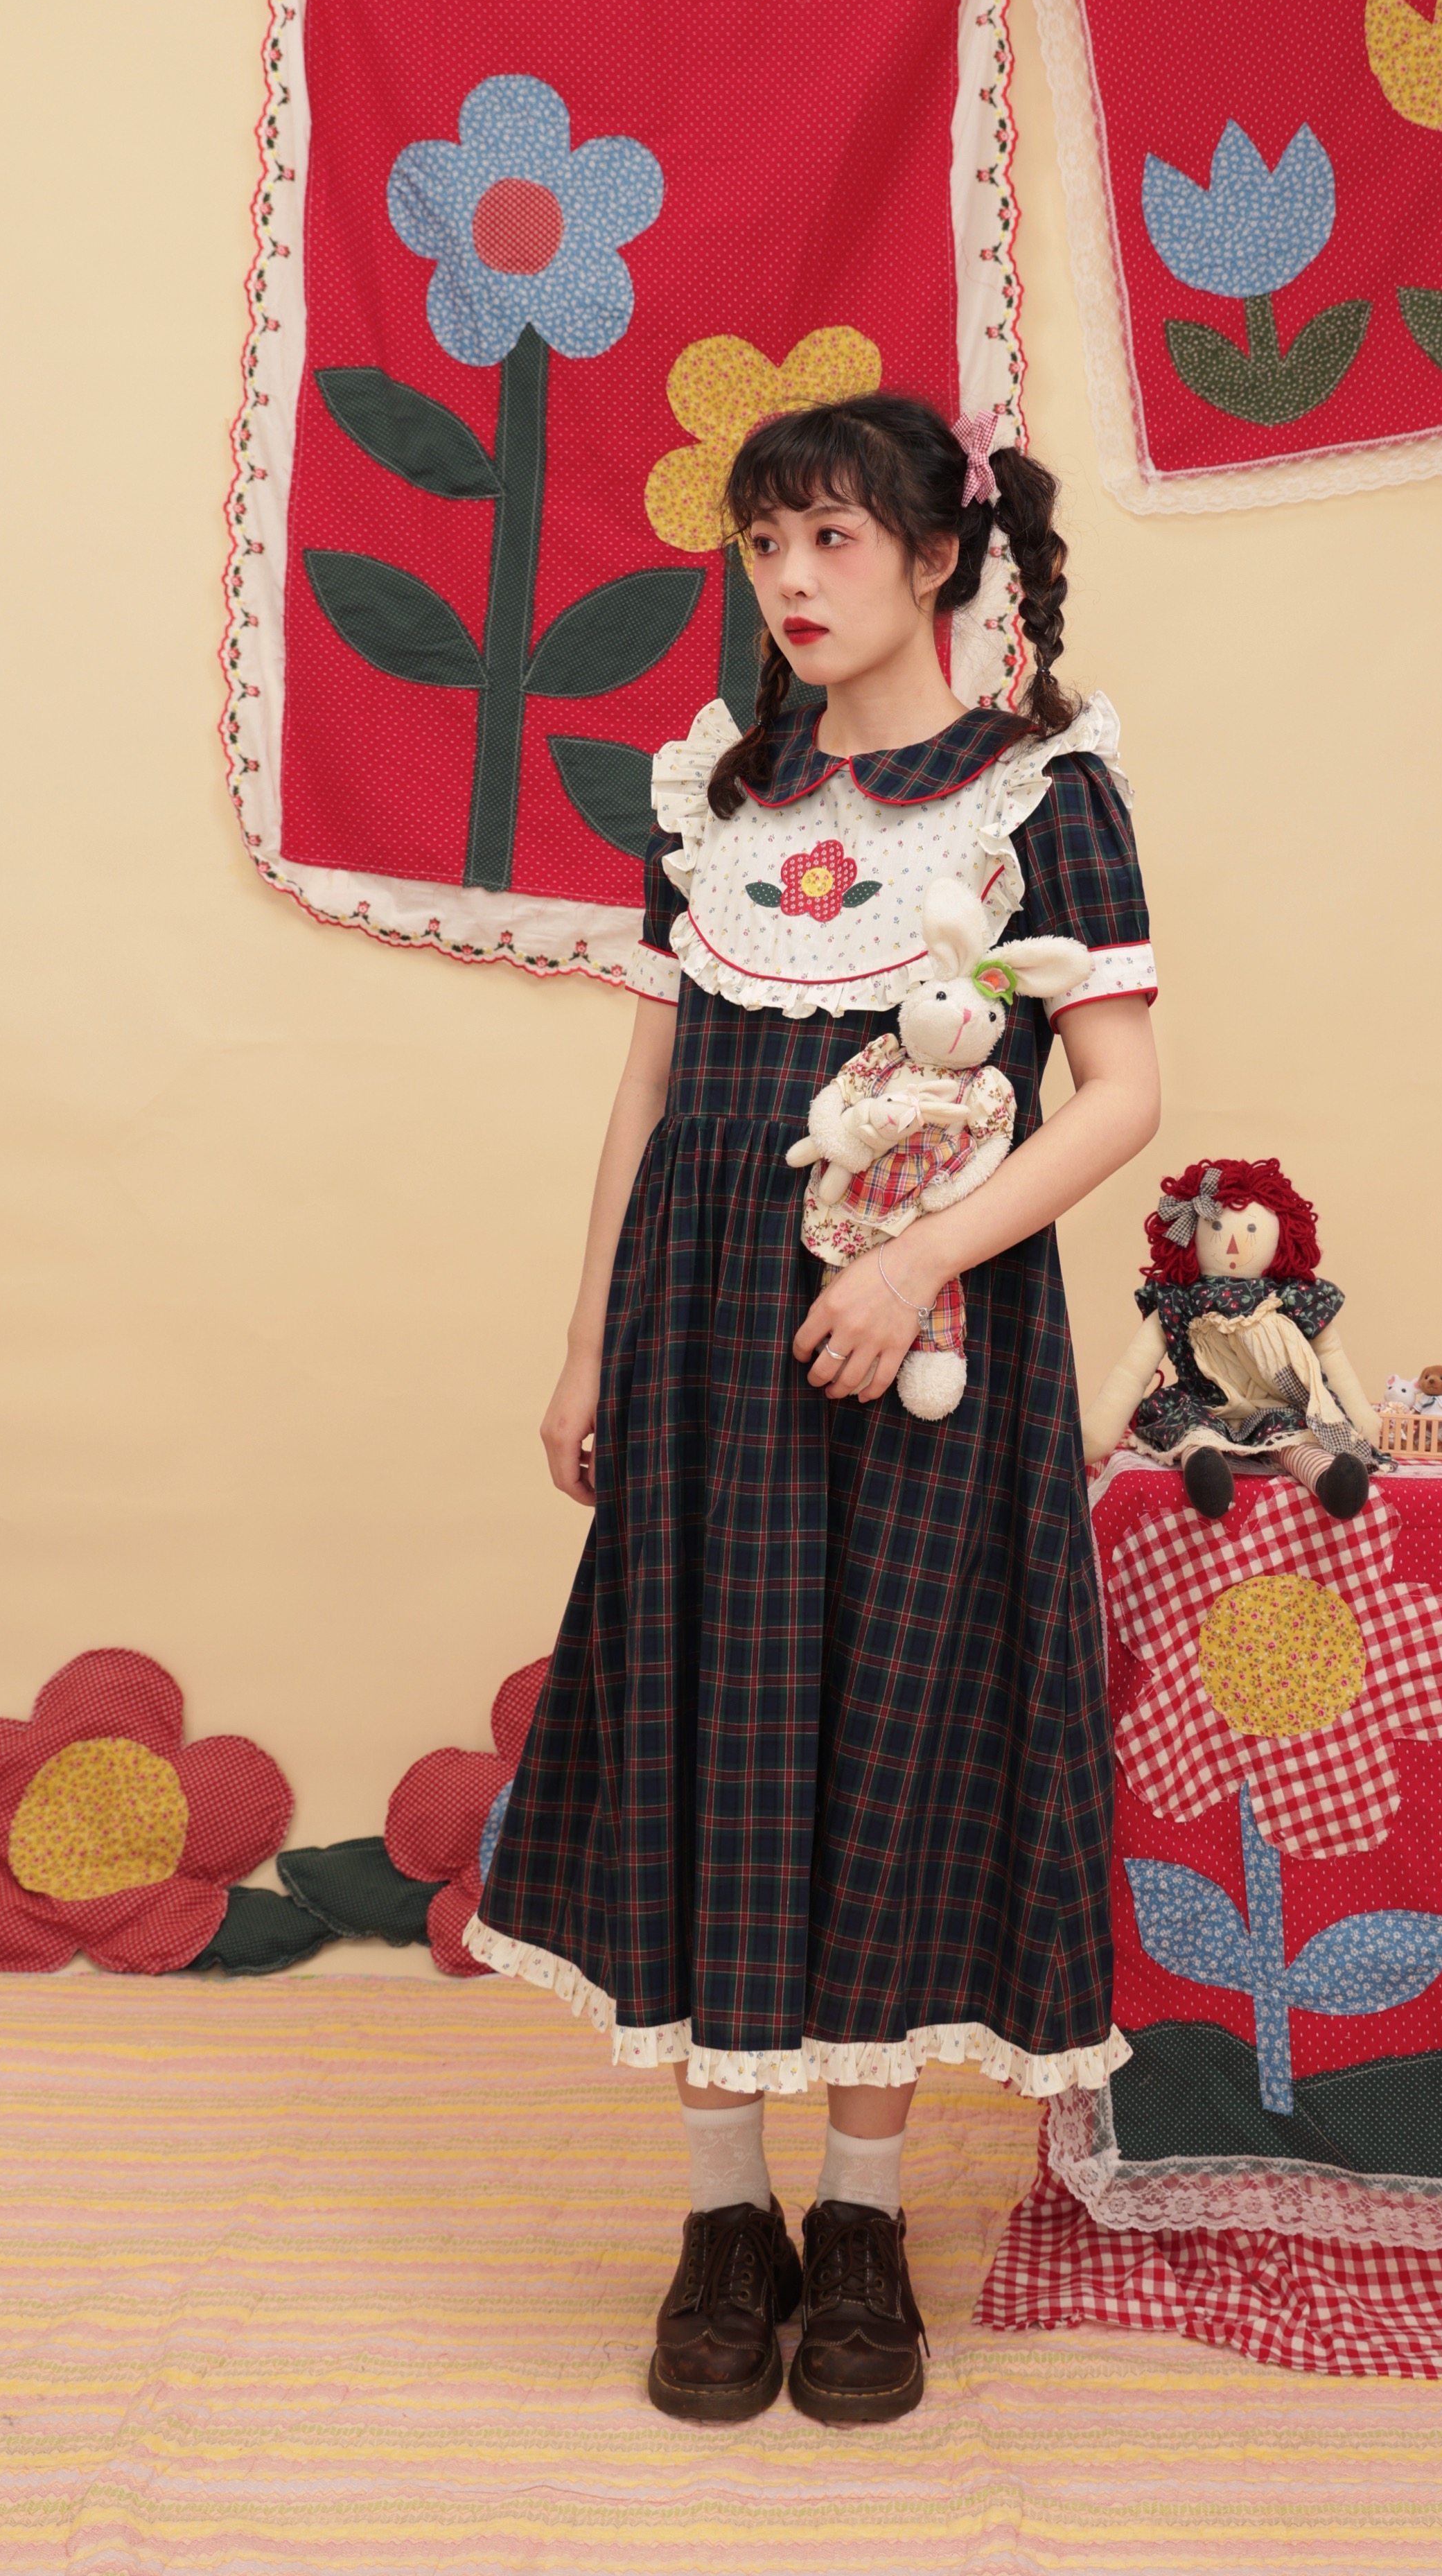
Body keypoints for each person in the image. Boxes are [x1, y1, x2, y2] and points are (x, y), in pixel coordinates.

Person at [472, 392, 1161, 2427]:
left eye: (833, 538)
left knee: (891, 1734)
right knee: (713, 1725)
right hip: (702, 1336)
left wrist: (917, 1261)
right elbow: (648, 1100)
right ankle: (723, 2220)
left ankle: (860, 2222)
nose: (789, 577)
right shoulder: (715, 794)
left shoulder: (1042, 789)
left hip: (931, 1350)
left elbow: (1121, 1096)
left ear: (937, 558)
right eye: (765, 542)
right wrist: (588, 1345)